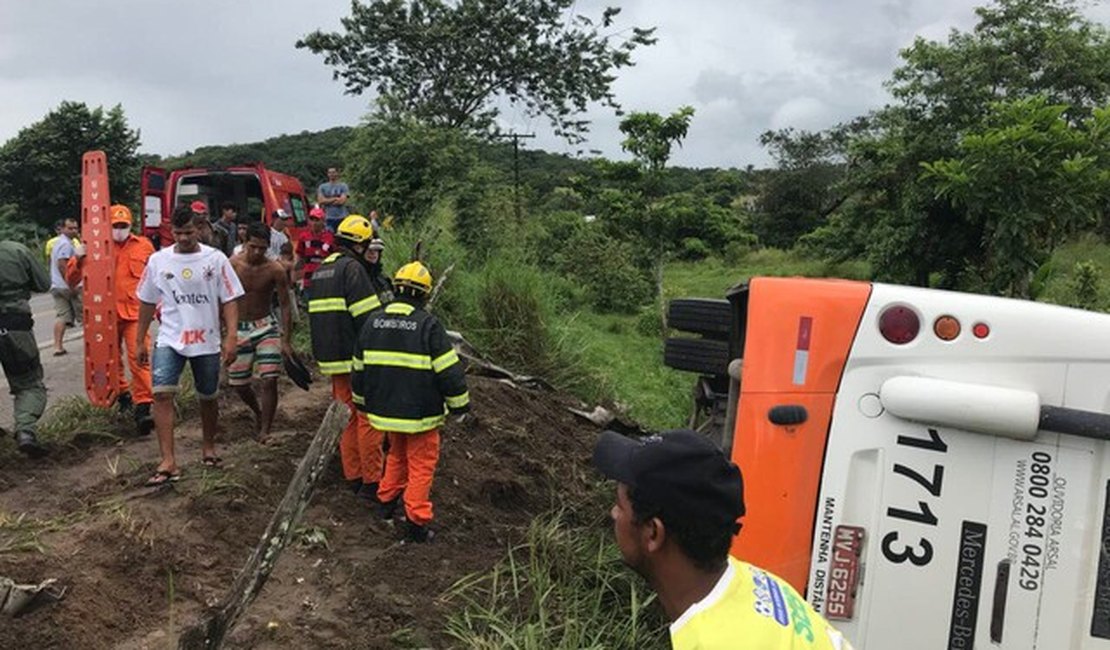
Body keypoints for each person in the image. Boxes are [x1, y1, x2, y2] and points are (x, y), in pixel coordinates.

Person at [592, 429, 854, 650]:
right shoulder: (755, 582)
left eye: (619, 506)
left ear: (653, 533)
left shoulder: (713, 642)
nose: (613, 514)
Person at [354, 261, 470, 543]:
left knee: (396, 455)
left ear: (395, 289)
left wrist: (361, 403)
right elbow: (449, 371)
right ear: (424, 295)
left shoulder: (373, 321)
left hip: (386, 412)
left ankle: (385, 502)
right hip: (420, 415)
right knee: (421, 465)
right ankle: (416, 522)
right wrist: (460, 406)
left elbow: (358, 367)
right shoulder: (428, 326)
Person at [135, 205, 243, 487]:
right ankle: (168, 460)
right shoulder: (158, 261)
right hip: (170, 338)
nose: (183, 238)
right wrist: (140, 340)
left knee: (208, 396)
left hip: (206, 340)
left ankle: (208, 447)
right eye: (178, 232)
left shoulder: (216, 259)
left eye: (189, 232)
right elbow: (146, 302)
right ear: (171, 231)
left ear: (200, 229)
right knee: (161, 395)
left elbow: (230, 299)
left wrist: (232, 336)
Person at [307, 215, 384, 503]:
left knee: (346, 418)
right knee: (368, 418)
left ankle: (353, 476)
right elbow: (369, 319)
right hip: (356, 359)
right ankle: (372, 481)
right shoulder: (353, 269)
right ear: (360, 244)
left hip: (332, 359)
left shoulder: (322, 269)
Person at [65, 205, 156, 435]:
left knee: (140, 357)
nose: (119, 230)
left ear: (130, 225)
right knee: (110, 359)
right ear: (107, 226)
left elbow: (157, 276)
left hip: (136, 313)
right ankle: (123, 395)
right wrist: (78, 258)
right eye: (115, 225)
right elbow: (71, 280)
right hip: (105, 314)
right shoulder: (93, 247)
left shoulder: (144, 246)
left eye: (123, 226)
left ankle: (144, 406)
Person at [229, 222, 294, 443]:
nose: (257, 252)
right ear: (244, 243)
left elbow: (285, 304)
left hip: (266, 326)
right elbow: (223, 299)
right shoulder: (233, 265)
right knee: (239, 384)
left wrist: (286, 340)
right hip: (239, 327)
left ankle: (265, 429)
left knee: (269, 378)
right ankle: (257, 412)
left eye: (262, 248)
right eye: (253, 247)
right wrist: (224, 332)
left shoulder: (275, 269)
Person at [0, 239, 51, 457]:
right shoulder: (16, 249)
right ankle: (25, 431)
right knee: (29, 384)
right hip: (14, 325)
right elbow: (43, 284)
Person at [49, 217, 81, 356]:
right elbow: (63, 264)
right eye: (70, 228)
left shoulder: (58, 243)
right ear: (62, 229)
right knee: (86, 316)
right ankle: (94, 345)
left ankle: (57, 346)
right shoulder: (66, 244)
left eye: (75, 228)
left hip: (57, 285)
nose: (74, 231)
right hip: (68, 286)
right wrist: (71, 284)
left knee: (62, 316)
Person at [295, 207, 334, 291]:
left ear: (323, 221)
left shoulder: (330, 237)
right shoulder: (304, 237)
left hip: (325, 277)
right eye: (312, 219)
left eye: (317, 220)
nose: (314, 223)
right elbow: (299, 256)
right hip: (308, 278)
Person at [316, 167, 350, 233]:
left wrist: (327, 201)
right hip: (328, 218)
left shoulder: (343, 186)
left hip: (342, 217)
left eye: (333, 172)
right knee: (329, 237)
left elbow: (342, 201)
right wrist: (335, 198)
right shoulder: (322, 187)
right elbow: (321, 201)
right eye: (330, 172)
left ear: (337, 173)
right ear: (327, 174)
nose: (332, 174)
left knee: (341, 237)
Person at [364, 236, 394, 304]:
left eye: (376, 250)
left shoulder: (383, 279)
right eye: (369, 250)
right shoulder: (358, 276)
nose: (373, 253)